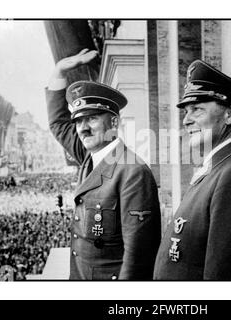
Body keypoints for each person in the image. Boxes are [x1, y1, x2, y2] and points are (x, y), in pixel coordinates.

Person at [153, 60, 231, 280]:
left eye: (197, 110)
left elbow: (228, 275)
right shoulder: (219, 168)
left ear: (230, 115)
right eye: (186, 111)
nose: (186, 120)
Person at [46, 48, 161, 280]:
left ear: (114, 122)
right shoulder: (89, 156)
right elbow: (58, 123)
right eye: (79, 120)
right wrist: (58, 70)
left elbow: (138, 255)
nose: (83, 128)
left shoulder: (133, 172)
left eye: (92, 118)